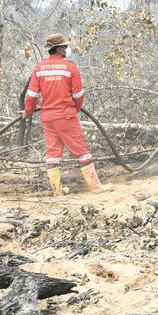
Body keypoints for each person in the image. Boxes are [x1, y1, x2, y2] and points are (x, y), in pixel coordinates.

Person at [23, 33, 106, 196]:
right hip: (66, 116)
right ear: (60, 49)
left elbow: (31, 96)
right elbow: (78, 95)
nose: (67, 49)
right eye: (66, 47)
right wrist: (74, 110)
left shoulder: (39, 68)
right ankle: (96, 187)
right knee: (82, 151)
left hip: (48, 118)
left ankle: (58, 192)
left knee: (52, 154)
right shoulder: (70, 67)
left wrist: (27, 112)